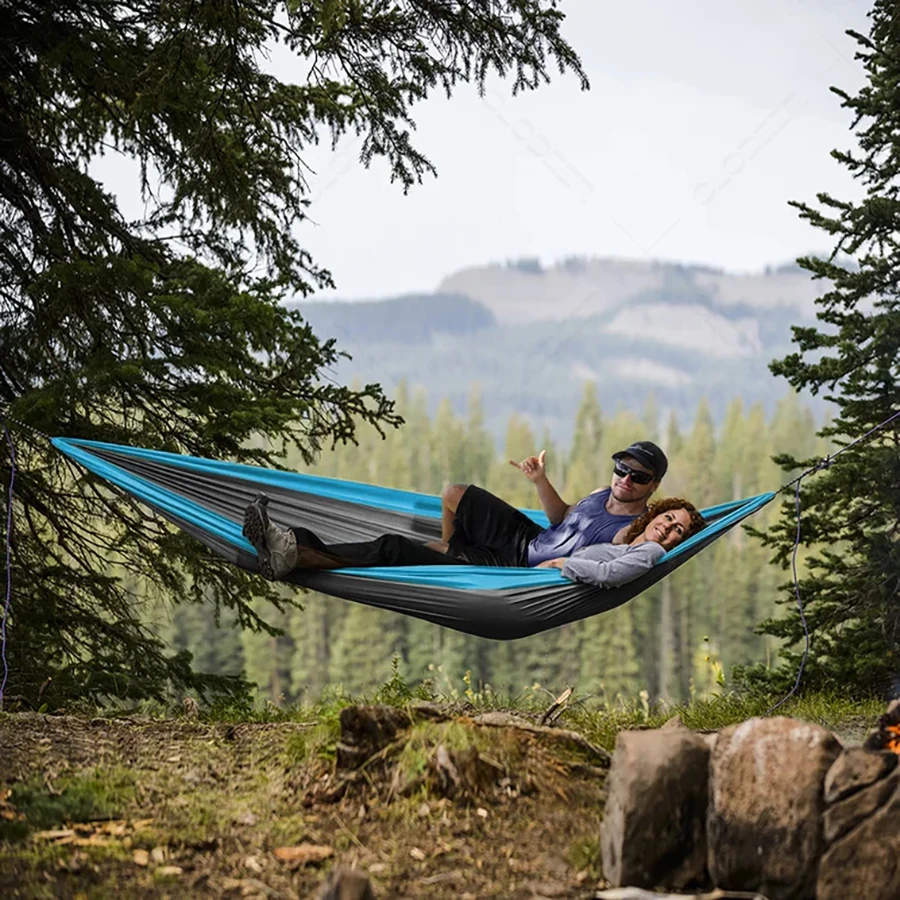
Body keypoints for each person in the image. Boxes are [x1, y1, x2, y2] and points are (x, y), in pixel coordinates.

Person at [241, 493, 705, 589]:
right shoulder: (630, 537)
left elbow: (606, 576)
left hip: (513, 581)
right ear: (655, 515)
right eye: (669, 519)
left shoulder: (645, 553)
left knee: (391, 549)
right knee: (392, 547)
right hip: (517, 567)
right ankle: (290, 549)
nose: (670, 529)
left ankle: (291, 549)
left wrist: (561, 567)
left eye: (680, 530)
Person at [431, 440, 670, 567]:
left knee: (432, 550)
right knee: (453, 493)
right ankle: (453, 550)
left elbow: (608, 567)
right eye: (622, 469)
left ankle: (451, 558)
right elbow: (561, 517)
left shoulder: (632, 530)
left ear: (654, 485)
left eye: (638, 477)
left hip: (524, 569)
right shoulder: (601, 492)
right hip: (531, 537)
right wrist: (540, 480)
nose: (626, 479)